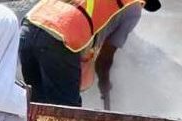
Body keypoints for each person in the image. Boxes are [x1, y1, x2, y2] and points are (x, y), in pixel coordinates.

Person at [19, 0, 161, 107]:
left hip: (29, 26)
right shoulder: (134, 8)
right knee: (66, 113)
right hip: (61, 36)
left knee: (37, 105)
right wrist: (104, 84)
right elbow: (105, 57)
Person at [80, 2, 143, 108]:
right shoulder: (134, 9)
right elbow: (105, 57)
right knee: (65, 106)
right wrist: (104, 81)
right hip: (69, 43)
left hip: (46, 22)